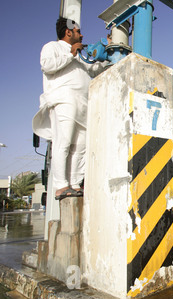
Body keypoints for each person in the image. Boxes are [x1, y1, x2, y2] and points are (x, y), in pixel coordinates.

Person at [32, 18, 109, 200]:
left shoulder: (80, 55)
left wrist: (110, 51)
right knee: (64, 142)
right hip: (63, 101)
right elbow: (48, 65)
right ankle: (61, 186)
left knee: (80, 146)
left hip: (83, 105)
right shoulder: (53, 47)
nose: (81, 35)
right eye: (78, 31)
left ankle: (74, 183)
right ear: (68, 32)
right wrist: (70, 54)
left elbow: (95, 70)